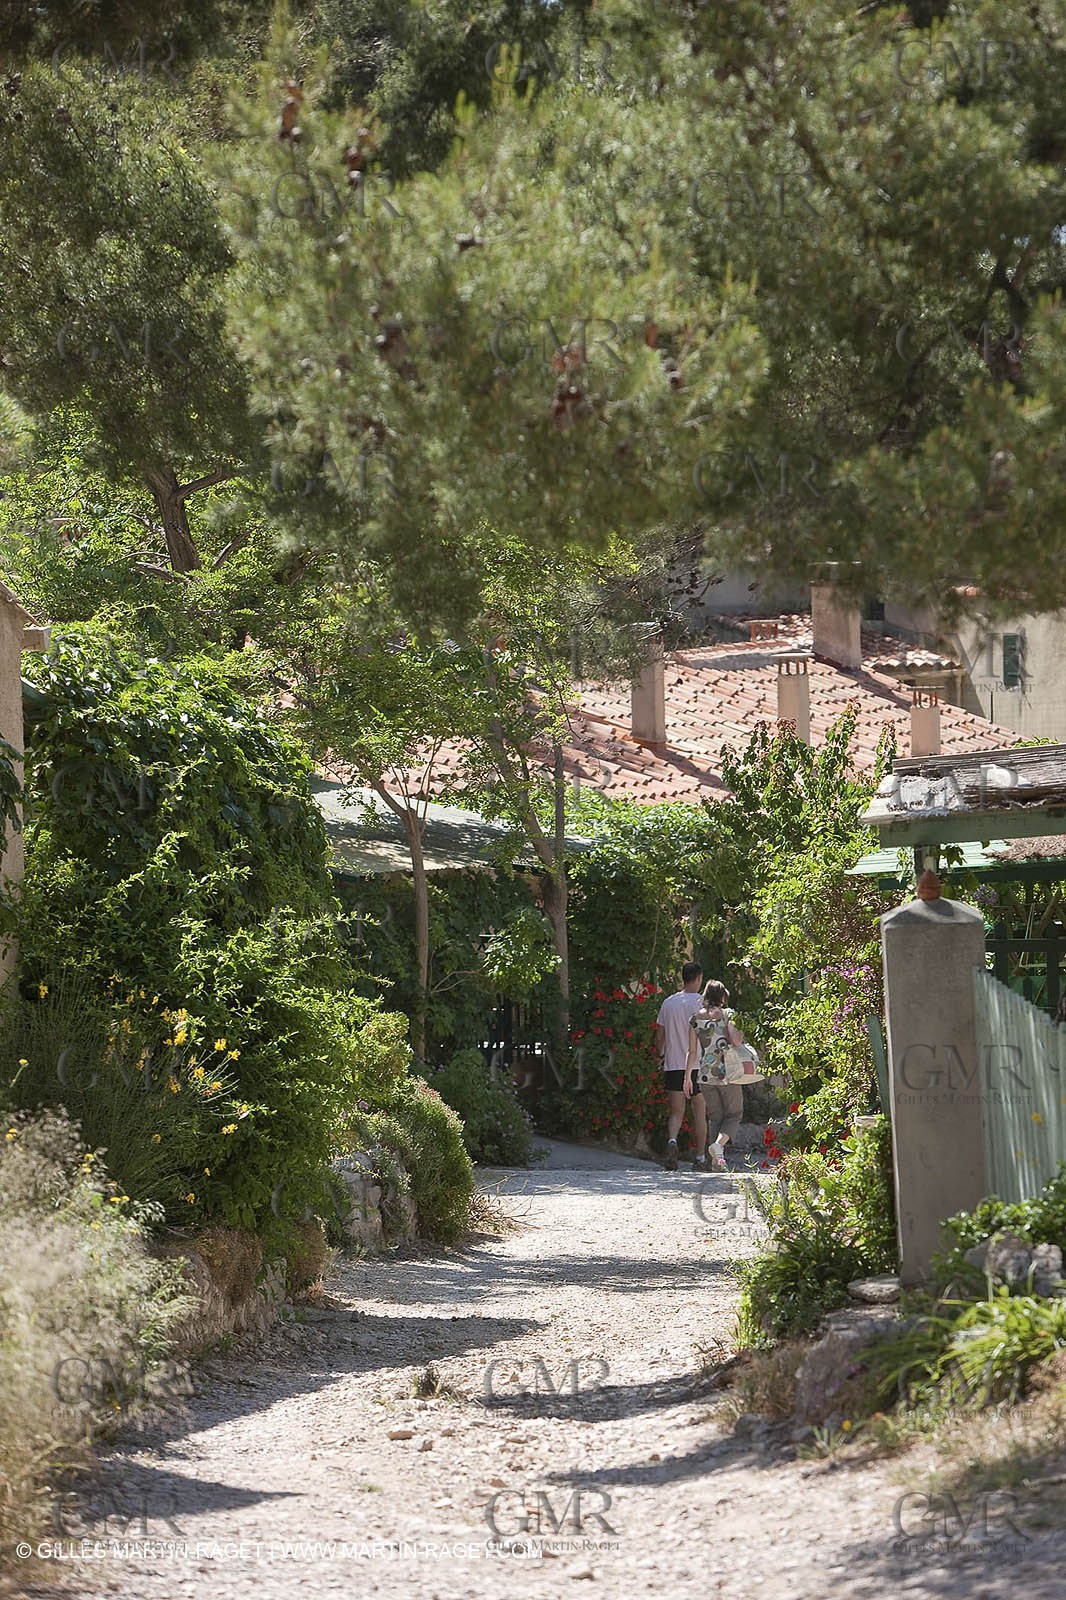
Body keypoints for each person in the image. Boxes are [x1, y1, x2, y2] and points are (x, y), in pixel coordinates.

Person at [652, 961, 707, 1172]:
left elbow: (660, 1036)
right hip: (698, 1065)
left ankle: (672, 1141)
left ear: (682, 977)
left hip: (674, 1063)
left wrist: (660, 1054)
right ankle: (700, 1158)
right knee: (700, 1113)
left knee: (676, 1112)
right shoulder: (703, 1003)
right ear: (699, 978)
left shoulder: (668, 1003)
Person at [687, 980, 745, 1172]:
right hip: (727, 1072)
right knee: (734, 1114)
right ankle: (718, 1146)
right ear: (722, 996)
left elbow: (692, 1052)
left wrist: (687, 1077)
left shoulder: (695, 1019)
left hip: (705, 1075)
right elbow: (736, 1041)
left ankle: (716, 1162)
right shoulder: (728, 1015)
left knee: (715, 1117)